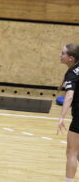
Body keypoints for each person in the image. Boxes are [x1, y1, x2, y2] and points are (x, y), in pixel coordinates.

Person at [57, 43, 79, 182]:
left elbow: (69, 96)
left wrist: (61, 117)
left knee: (71, 152)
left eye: (63, 53)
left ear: (71, 58)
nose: (60, 55)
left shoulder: (71, 73)